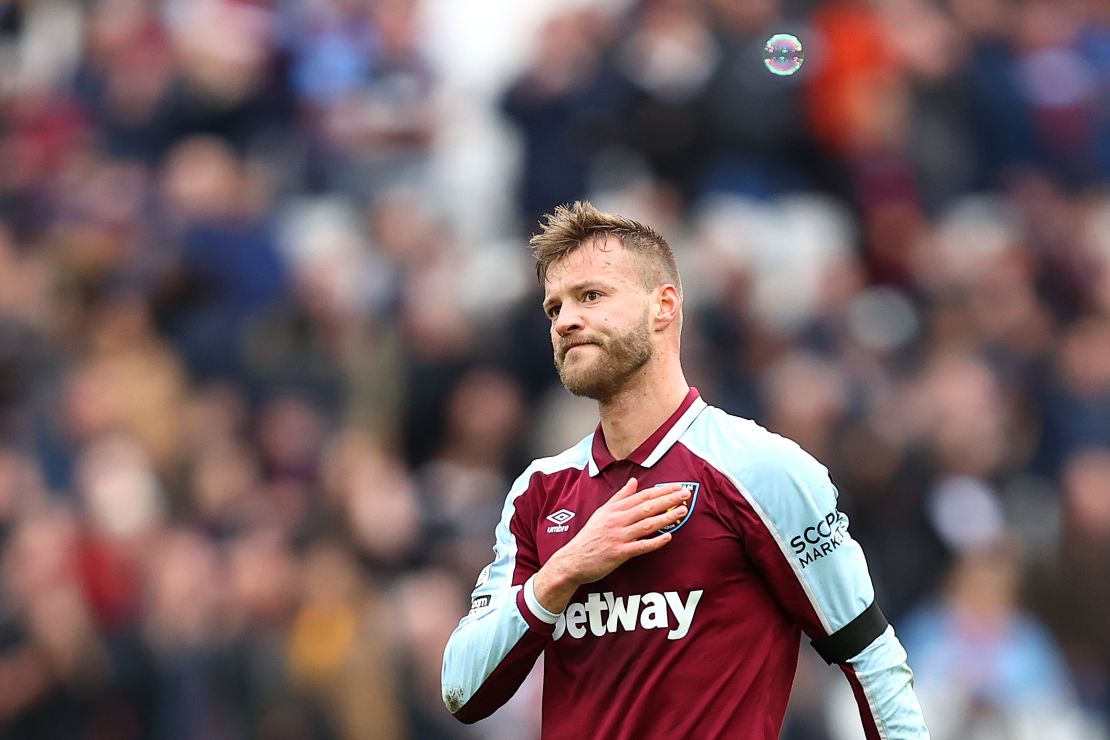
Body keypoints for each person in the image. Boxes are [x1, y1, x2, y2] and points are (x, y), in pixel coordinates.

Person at [441, 201, 929, 739]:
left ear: (664, 306)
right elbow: (461, 691)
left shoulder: (763, 469)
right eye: (553, 307)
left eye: (591, 296)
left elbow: (872, 661)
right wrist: (564, 571)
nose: (566, 320)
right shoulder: (539, 491)